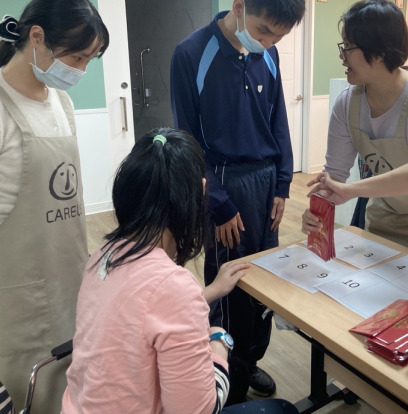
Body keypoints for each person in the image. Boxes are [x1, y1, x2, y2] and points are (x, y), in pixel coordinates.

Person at [61, 128, 299, 414]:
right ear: (200, 191)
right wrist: (220, 342)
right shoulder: (172, 286)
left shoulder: (102, 256)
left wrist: (211, 291)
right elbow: (198, 410)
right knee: (281, 409)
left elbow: (144, 309)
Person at [170, 0, 305, 397]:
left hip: (266, 183)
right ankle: (227, 371)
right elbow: (188, 140)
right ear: (239, 7)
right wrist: (219, 203)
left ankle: (252, 360)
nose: (267, 43)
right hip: (224, 185)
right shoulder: (191, 53)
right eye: (263, 31)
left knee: (264, 279)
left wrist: (282, 184)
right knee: (230, 284)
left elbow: (278, 122)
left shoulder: (269, 54)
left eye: (277, 38)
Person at [0, 0, 109, 413]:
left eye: (89, 60)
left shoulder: (62, 102)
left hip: (69, 275)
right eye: (77, 57)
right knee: (33, 394)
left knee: (74, 387)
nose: (81, 71)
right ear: (37, 37)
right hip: (18, 296)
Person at [301, 0, 408, 258]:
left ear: (379, 51)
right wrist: (318, 210)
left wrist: (351, 190)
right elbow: (334, 175)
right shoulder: (347, 104)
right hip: (390, 212)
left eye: (348, 47)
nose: (341, 55)